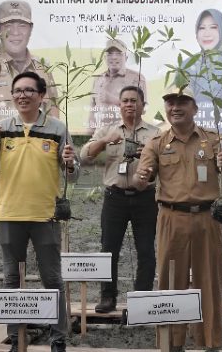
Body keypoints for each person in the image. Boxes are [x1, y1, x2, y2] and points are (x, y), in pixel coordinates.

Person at [0, 71, 79, 352]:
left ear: (41, 95)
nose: (22, 95)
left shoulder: (57, 128)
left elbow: (74, 176)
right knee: (11, 279)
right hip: (9, 214)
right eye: (18, 90)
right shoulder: (2, 128)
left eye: (29, 90)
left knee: (52, 278)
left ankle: (58, 337)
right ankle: (17, 337)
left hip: (46, 215)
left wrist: (69, 163)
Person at [133, 85, 222, 352]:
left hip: (207, 219)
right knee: (170, 281)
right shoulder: (156, 143)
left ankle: (209, 341)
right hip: (171, 218)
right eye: (170, 103)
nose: (175, 107)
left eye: (182, 102)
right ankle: (171, 342)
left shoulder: (212, 139)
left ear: (194, 107)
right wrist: (140, 178)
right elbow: (140, 179)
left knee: (208, 280)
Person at [80, 86, 159, 313]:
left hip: (145, 199)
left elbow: (163, 167)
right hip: (115, 198)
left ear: (143, 105)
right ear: (119, 105)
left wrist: (149, 165)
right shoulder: (108, 129)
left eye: (134, 100)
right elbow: (85, 155)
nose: (129, 104)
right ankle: (108, 297)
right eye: (125, 100)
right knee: (109, 250)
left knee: (145, 250)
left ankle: (141, 298)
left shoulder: (155, 134)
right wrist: (105, 141)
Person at [0, 0, 58, 133]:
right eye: (8, 25)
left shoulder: (43, 68)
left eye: (22, 25)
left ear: (31, 29)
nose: (15, 32)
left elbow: (54, 121)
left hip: (35, 151)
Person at [87, 39, 147, 133]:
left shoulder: (136, 78)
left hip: (126, 136)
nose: (114, 57)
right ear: (105, 57)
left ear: (126, 57)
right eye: (110, 54)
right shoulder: (98, 79)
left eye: (119, 53)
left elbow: (142, 110)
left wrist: (111, 98)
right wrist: (89, 135)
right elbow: (92, 110)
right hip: (100, 137)